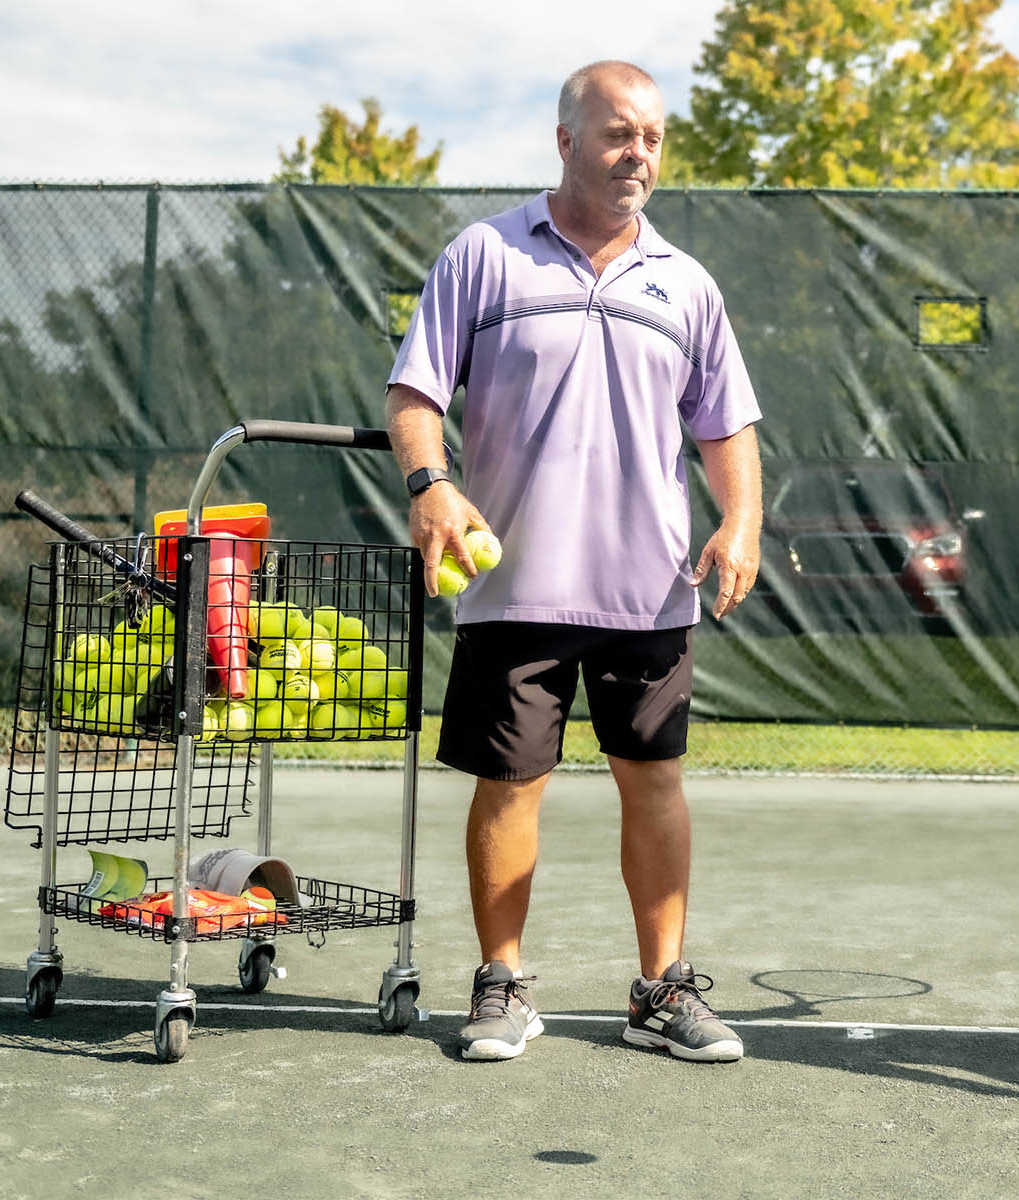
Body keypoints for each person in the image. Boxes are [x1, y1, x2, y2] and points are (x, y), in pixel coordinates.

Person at [384, 60, 763, 1064]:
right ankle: (501, 982)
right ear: (566, 141)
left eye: (653, 138)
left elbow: (726, 424)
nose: (639, 153)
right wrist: (432, 485)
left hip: (650, 593)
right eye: (618, 133)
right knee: (510, 788)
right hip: (514, 588)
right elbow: (415, 394)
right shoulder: (484, 255)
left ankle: (661, 989)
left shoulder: (687, 284)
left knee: (657, 785)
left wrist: (741, 521)